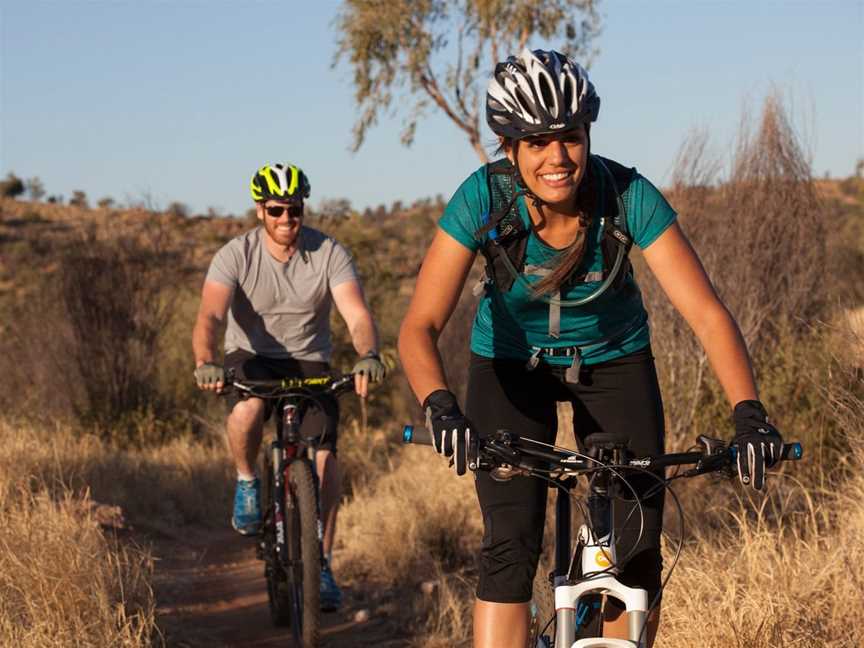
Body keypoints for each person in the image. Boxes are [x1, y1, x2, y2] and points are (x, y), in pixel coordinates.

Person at [397, 49, 783, 648]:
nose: (558, 158)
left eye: (570, 138)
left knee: (635, 551)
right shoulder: (481, 200)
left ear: (588, 134)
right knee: (510, 543)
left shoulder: (628, 195)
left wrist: (749, 413)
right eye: (537, 142)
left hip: (614, 359)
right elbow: (419, 324)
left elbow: (708, 315)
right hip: (508, 365)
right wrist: (440, 405)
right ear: (509, 148)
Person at [192, 162, 386, 611]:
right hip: (251, 357)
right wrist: (205, 362)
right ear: (260, 209)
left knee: (324, 461)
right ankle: (246, 482)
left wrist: (368, 354)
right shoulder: (235, 254)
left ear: (303, 209)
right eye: (276, 210)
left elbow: (356, 315)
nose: (286, 220)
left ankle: (321, 564)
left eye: (294, 210)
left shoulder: (328, 253)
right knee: (247, 412)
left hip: (308, 361)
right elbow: (210, 316)